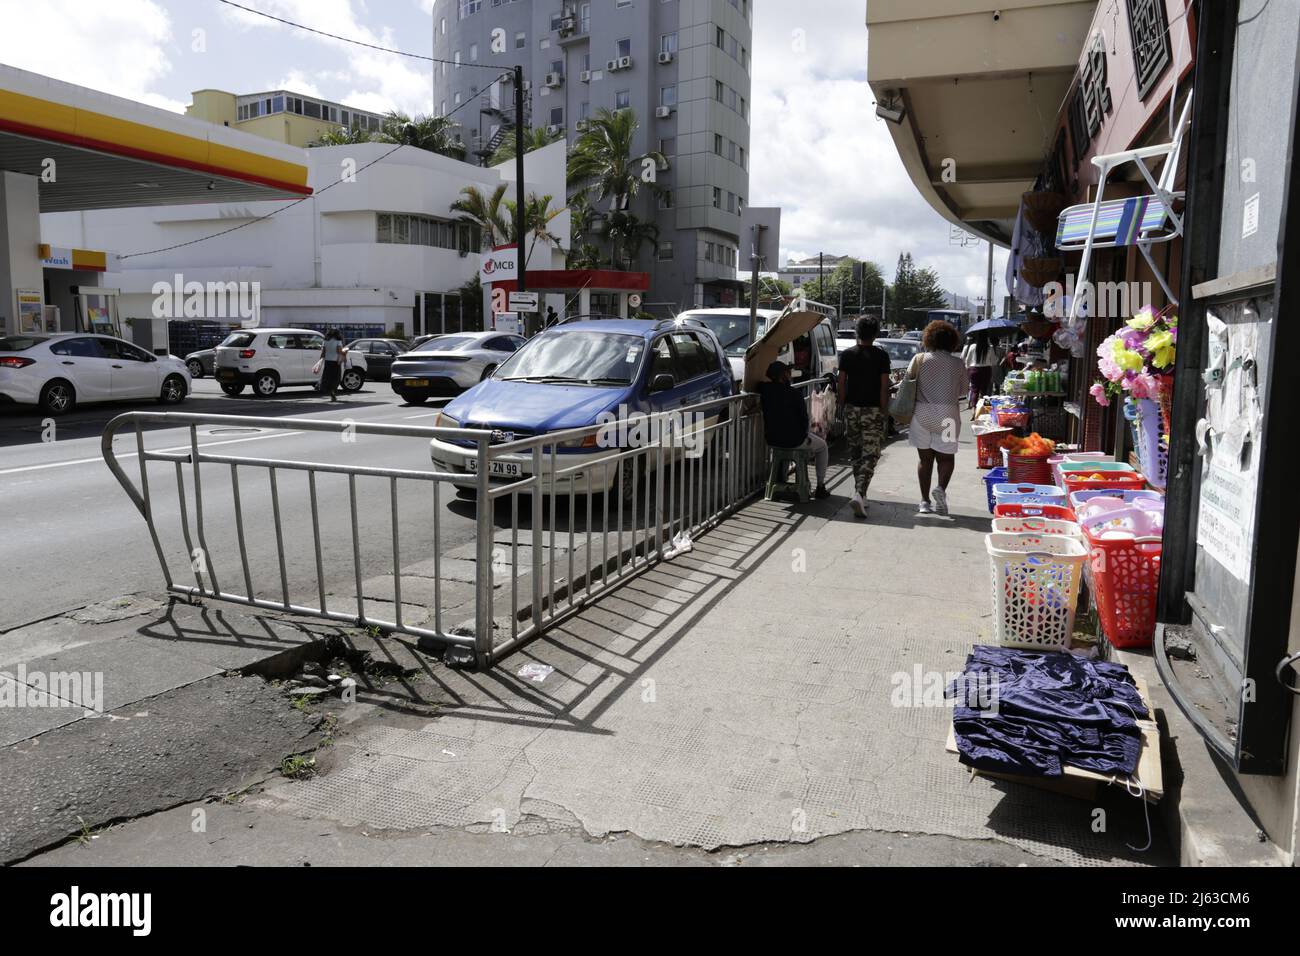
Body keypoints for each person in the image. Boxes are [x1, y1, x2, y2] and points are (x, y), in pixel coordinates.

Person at [908, 319, 968, 515]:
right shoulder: (958, 363)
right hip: (948, 415)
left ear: (929, 338)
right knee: (946, 458)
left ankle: (924, 502)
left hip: (922, 413)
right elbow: (964, 391)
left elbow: (909, 382)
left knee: (925, 460)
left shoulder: (920, 359)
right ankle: (940, 489)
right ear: (952, 341)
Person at [837, 315, 891, 518]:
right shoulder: (881, 356)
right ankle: (860, 493)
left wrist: (841, 405)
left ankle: (861, 494)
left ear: (856, 332)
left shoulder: (848, 355)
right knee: (872, 454)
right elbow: (884, 386)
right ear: (876, 333)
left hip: (852, 409)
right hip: (873, 410)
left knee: (855, 452)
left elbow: (842, 383)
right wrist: (884, 412)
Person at [757, 360, 829, 499]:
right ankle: (820, 486)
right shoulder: (794, 393)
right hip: (795, 440)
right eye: (787, 372)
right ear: (782, 375)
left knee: (793, 446)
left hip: (772, 439)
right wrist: (805, 436)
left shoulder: (765, 390)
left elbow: (760, 386)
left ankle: (779, 479)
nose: (790, 375)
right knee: (823, 447)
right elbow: (803, 420)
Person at [961, 329, 998, 413]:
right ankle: (986, 409)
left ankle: (974, 410)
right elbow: (994, 361)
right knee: (985, 390)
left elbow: (967, 360)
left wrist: (968, 369)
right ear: (987, 338)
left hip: (974, 370)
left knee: (974, 390)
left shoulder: (972, 346)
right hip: (986, 370)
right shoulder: (990, 347)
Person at [320, 329, 345, 402]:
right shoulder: (338, 341)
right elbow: (339, 351)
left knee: (328, 377)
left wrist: (320, 360)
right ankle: (333, 391)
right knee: (336, 377)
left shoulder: (325, 341)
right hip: (336, 361)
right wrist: (344, 352)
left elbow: (323, 352)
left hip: (327, 361)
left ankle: (328, 390)